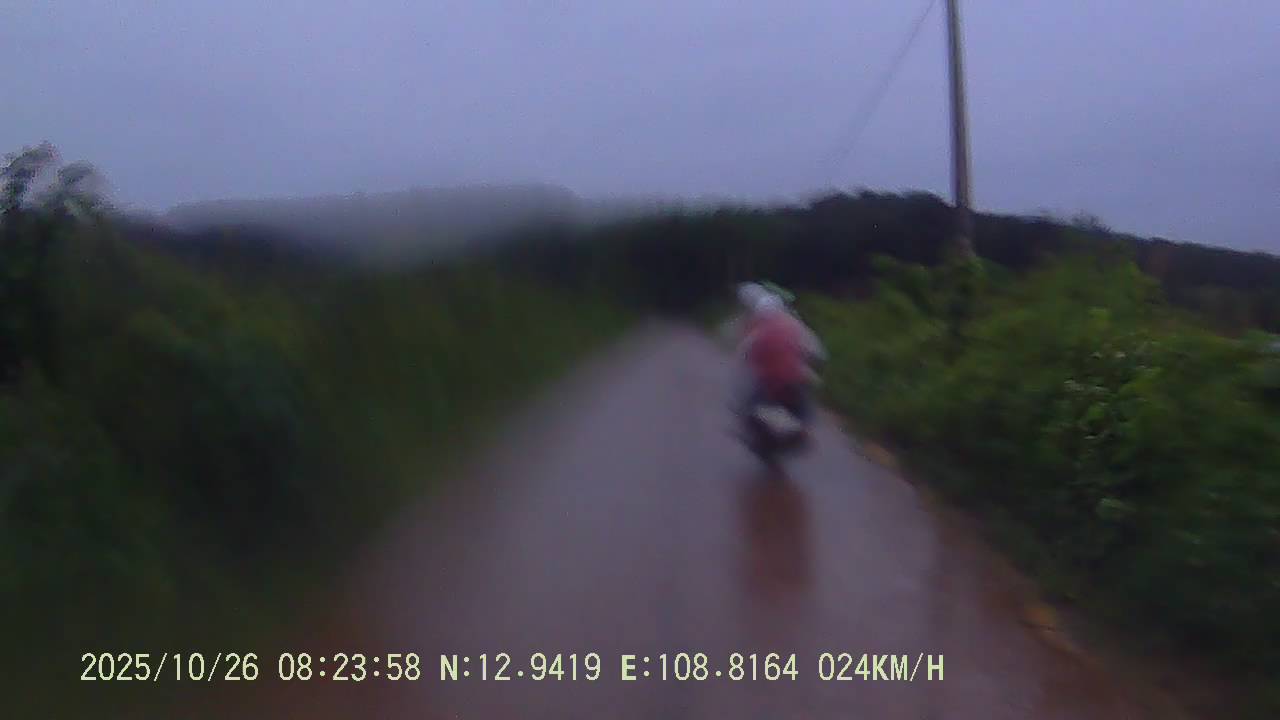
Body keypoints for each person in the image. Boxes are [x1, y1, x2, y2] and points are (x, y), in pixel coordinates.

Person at [727, 282, 826, 423]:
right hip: (795, 379)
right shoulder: (796, 326)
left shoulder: (758, 330)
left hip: (771, 382)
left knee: (748, 407)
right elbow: (819, 353)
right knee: (805, 412)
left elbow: (744, 356)